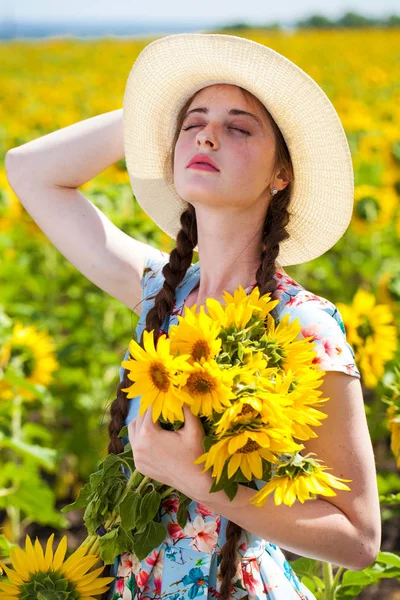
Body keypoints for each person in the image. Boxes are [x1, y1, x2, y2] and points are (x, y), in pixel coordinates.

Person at [5, 32, 381, 600]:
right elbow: (29, 170)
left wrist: (194, 478)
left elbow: (359, 539)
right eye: (193, 123)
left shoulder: (305, 327)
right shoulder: (164, 290)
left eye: (239, 127)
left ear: (282, 173)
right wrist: (154, 112)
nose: (207, 133)